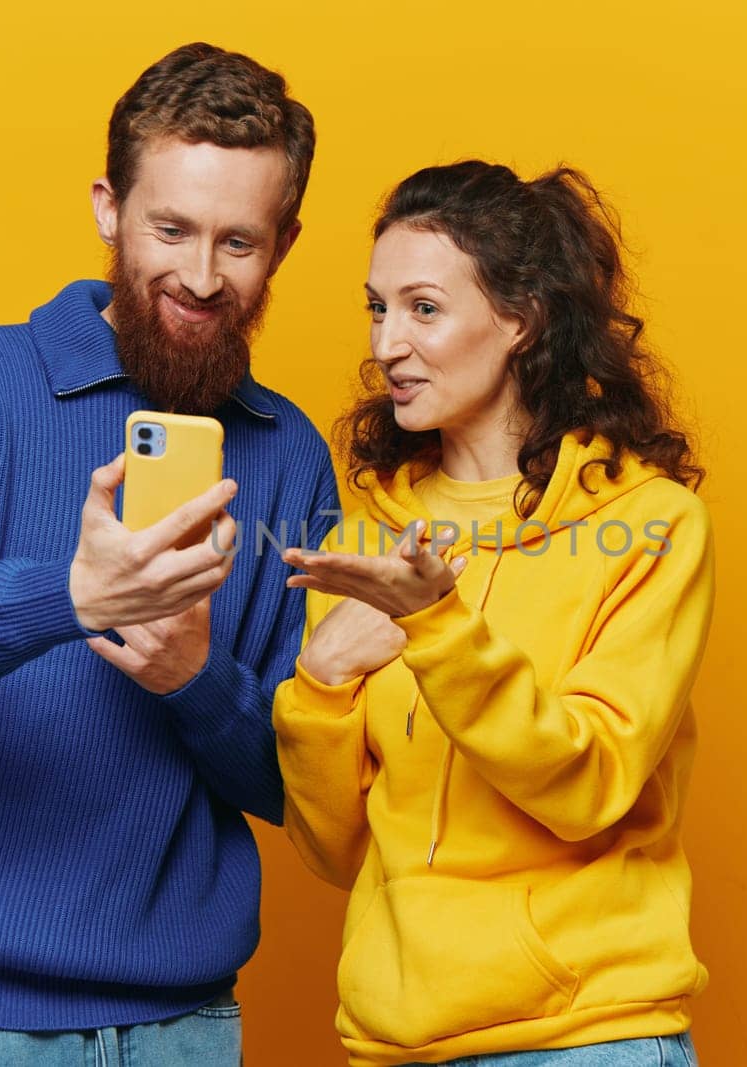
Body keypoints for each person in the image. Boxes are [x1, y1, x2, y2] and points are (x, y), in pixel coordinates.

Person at [0, 43, 336, 1065]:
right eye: (171, 229)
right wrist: (71, 593)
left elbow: (295, 779)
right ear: (109, 208)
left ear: (283, 242)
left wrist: (195, 678)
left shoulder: (289, 454)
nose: (201, 276)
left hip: (183, 1026)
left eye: (238, 242)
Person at [273, 160, 715, 1067]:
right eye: (377, 308)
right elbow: (334, 846)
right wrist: (316, 687)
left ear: (521, 319)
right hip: (398, 1042)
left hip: (586, 1036)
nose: (388, 342)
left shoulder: (651, 524)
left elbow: (586, 785)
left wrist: (437, 625)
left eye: (424, 308)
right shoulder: (370, 537)